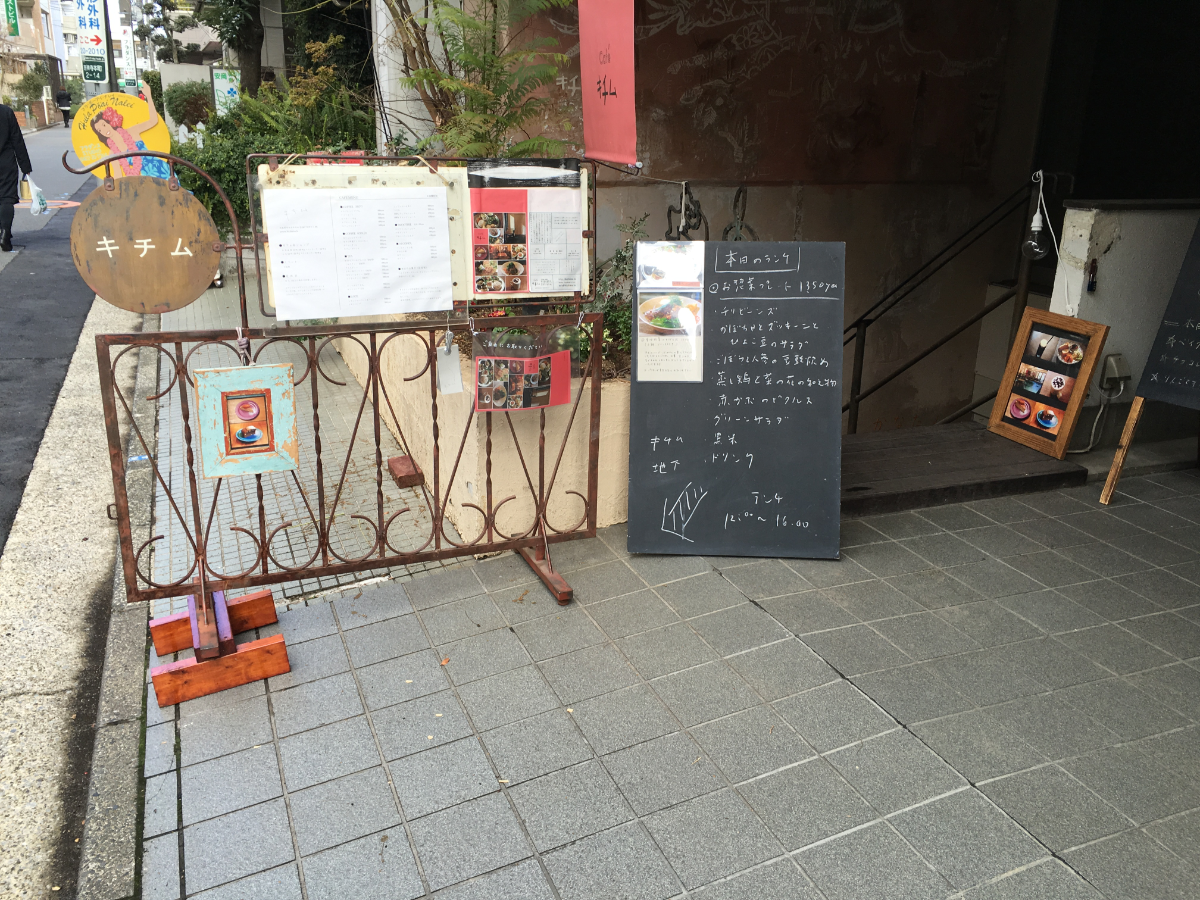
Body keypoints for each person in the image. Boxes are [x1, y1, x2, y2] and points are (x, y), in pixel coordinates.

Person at [89, 80, 170, 179]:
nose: (104, 131)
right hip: (144, 180)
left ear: (110, 121)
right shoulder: (113, 153)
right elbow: (118, 176)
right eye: (99, 130)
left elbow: (153, 121)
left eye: (104, 125)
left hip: (161, 170)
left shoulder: (132, 132)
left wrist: (148, 96)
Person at [0, 102, 32, 253]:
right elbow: (17, 140)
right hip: (5, 162)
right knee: (6, 198)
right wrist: (25, 167)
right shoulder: (6, 112)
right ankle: (5, 233)